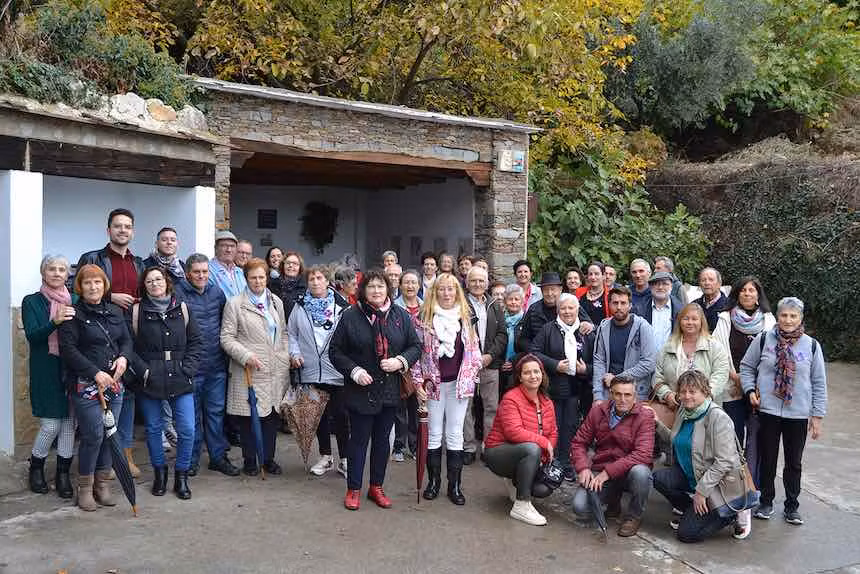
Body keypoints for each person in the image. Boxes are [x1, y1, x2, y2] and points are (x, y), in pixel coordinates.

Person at [329, 269, 421, 510]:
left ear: (388, 289)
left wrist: (400, 361)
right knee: (358, 440)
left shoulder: (400, 316)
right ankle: (354, 489)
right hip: (361, 390)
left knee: (383, 442)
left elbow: (415, 346)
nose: (376, 291)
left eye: (381, 286)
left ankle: (376, 487)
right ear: (363, 290)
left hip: (390, 391)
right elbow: (336, 351)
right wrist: (355, 371)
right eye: (371, 287)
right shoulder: (351, 316)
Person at [741, 297, 827, 526]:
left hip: (797, 414)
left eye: (793, 316)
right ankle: (766, 501)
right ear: (777, 317)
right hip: (767, 411)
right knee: (767, 459)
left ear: (800, 319)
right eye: (784, 315)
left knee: (793, 462)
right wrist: (750, 390)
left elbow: (818, 382)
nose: (788, 320)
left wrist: (816, 416)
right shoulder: (763, 339)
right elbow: (747, 367)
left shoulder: (811, 345)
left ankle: (791, 506)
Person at [76, 208, 144, 479]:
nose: (123, 230)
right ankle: (96, 462)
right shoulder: (92, 258)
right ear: (108, 230)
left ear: (133, 231)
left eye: (127, 226)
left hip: (130, 338)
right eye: (118, 226)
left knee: (126, 396)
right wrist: (110, 296)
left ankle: (123, 455)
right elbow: (78, 289)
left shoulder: (138, 263)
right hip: (98, 337)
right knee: (98, 400)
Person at [59, 264, 131, 511]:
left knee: (112, 435)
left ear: (104, 285)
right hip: (86, 386)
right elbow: (68, 350)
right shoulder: (73, 314)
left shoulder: (114, 311)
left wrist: (124, 358)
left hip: (114, 385)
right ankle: (85, 487)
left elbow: (126, 340)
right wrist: (95, 373)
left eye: (97, 282)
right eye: (87, 283)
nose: (93, 287)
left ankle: (103, 485)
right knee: (94, 436)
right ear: (80, 286)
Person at [653, 370, 750, 542]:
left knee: (686, 534)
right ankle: (692, 509)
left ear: (705, 392)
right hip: (693, 475)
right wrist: (657, 424)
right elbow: (677, 440)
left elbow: (724, 462)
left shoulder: (718, 418)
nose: (686, 396)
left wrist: (701, 492)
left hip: (718, 486)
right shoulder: (684, 411)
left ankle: (730, 514)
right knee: (657, 478)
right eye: (682, 391)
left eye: (692, 391)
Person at [411, 273, 483, 505]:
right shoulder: (423, 319)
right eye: (441, 289)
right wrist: (418, 382)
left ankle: (455, 486)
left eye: (450, 289)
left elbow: (474, 352)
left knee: (455, 434)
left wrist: (472, 374)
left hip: (457, 385)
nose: (446, 293)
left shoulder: (466, 318)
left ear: (457, 292)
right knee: (433, 433)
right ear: (434, 292)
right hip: (433, 385)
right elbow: (416, 354)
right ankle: (433, 483)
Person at [131, 267, 202, 499]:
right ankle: (160, 473)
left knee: (187, 429)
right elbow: (129, 347)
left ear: (167, 281)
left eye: (158, 279)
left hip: (180, 376)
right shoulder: (136, 312)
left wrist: (188, 369)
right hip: (150, 378)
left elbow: (195, 342)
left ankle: (181, 475)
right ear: (144, 285)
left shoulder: (182, 308)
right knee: (153, 429)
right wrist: (145, 372)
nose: (155, 283)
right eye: (149, 280)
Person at [221, 258, 289, 476]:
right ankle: (251, 460)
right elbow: (226, 338)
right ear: (246, 278)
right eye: (253, 277)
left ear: (267, 277)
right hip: (250, 369)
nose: (258, 281)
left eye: (262, 277)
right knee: (249, 417)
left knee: (271, 417)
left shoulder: (276, 302)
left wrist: (285, 356)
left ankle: (268, 458)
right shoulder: (235, 304)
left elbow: (284, 333)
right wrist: (246, 355)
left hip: (275, 369)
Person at [175, 254, 240, 477]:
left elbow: (227, 322)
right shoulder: (177, 293)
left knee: (215, 414)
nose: (202, 276)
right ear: (188, 273)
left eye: (205, 271)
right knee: (191, 418)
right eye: (197, 272)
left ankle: (217, 457)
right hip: (191, 367)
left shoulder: (216, 292)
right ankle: (190, 459)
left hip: (216, 365)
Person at [571, 375, 655, 537]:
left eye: (627, 395)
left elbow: (642, 454)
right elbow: (579, 442)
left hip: (627, 472)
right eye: (617, 394)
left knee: (641, 473)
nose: (622, 399)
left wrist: (608, 473)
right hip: (601, 469)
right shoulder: (598, 410)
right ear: (611, 393)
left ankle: (634, 516)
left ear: (635, 396)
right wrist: (582, 468)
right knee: (579, 507)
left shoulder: (645, 416)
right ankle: (613, 501)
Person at [289, 266, 351, 477]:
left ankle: (344, 459)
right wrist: (294, 353)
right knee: (319, 415)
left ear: (328, 281)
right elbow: (292, 334)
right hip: (310, 369)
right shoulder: (299, 306)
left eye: (319, 278)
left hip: (337, 369)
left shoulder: (343, 306)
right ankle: (325, 457)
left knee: (341, 415)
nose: (315, 282)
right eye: (311, 279)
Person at [23, 255, 76, 498]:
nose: (56, 273)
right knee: (50, 425)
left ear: (68, 275)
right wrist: (54, 322)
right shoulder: (32, 301)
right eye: (51, 269)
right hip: (45, 369)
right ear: (43, 272)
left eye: (62, 269)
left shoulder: (75, 300)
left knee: (68, 425)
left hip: (72, 368)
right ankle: (36, 467)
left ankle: (63, 474)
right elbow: (33, 336)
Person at [484, 355, 558, 526]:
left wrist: (546, 452)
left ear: (542, 374)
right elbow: (513, 432)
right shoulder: (511, 398)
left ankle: (514, 483)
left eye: (536, 371)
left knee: (542, 489)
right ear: (519, 377)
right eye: (527, 373)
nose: (533, 376)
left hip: (527, 453)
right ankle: (521, 505)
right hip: (498, 452)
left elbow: (553, 432)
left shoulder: (547, 402)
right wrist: (543, 443)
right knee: (532, 448)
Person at [530, 294, 594, 480]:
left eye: (571, 308)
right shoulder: (548, 329)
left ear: (577, 310)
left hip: (577, 388)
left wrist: (586, 369)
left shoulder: (585, 331)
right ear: (558, 310)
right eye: (563, 308)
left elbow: (598, 360)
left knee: (570, 426)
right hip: (553, 388)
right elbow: (534, 352)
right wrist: (554, 365)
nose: (567, 311)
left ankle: (565, 462)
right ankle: (551, 461)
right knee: (553, 426)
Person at [713, 276, 776, 445]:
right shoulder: (725, 318)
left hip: (760, 388)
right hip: (731, 385)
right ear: (737, 294)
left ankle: (754, 471)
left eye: (751, 290)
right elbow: (717, 351)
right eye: (743, 290)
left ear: (758, 295)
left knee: (759, 438)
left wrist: (751, 383)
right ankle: (736, 471)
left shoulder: (768, 320)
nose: (747, 294)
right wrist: (736, 378)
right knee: (734, 435)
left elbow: (773, 355)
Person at [652, 304, 730, 430]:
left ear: (701, 322)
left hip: (706, 411)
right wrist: (667, 395)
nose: (690, 322)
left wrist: (702, 398)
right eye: (686, 318)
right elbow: (657, 377)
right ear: (680, 321)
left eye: (694, 319)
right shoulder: (668, 346)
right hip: (676, 410)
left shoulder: (714, 346)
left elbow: (721, 374)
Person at [463, 266, 508, 465]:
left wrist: (490, 355)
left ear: (487, 283)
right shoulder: (460, 303)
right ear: (467, 282)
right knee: (466, 408)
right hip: (465, 366)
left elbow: (502, 335)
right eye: (474, 280)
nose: (478, 284)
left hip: (490, 365)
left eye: (481, 281)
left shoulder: (494, 305)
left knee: (491, 408)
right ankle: (468, 447)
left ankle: (489, 448)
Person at [592, 286, 657, 402]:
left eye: (623, 303)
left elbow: (649, 363)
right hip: (609, 391)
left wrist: (618, 379)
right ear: (609, 304)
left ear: (630, 305)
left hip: (636, 392)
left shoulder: (643, 327)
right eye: (615, 303)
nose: (619, 307)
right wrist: (597, 396)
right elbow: (599, 361)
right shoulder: (604, 327)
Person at [392, 269, 423, 460]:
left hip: (420, 363)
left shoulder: (427, 307)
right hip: (400, 362)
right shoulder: (394, 307)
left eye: (414, 282)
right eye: (407, 282)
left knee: (416, 407)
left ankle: (415, 444)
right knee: (399, 407)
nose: (410, 286)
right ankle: (398, 446)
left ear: (419, 286)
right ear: (400, 285)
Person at [635, 271, 683, 352]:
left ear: (671, 287)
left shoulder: (681, 309)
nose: (660, 287)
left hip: (672, 358)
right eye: (656, 284)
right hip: (646, 358)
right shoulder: (638, 309)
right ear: (650, 287)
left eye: (665, 284)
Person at [515, 272, 564, 353]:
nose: (549, 293)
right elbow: (523, 339)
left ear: (560, 290)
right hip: (537, 356)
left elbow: (587, 323)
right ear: (541, 291)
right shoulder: (533, 309)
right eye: (546, 290)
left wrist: (586, 324)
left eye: (553, 289)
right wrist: (534, 352)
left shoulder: (568, 306)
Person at [500, 284, 525, 395]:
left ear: (522, 302)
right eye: (510, 299)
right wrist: (501, 362)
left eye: (517, 299)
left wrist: (513, 361)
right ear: (505, 301)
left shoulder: (527, 320)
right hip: (500, 367)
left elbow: (529, 347)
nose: (513, 302)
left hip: (519, 367)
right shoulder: (499, 319)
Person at [209, 231, 247, 299]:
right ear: (216, 248)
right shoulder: (208, 271)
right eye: (224, 246)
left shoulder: (240, 272)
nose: (229, 250)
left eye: (232, 246)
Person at [268, 250, 306, 317]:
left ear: (300, 267)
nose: (291, 265)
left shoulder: (305, 287)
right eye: (288, 263)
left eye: (295, 263)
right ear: (283, 265)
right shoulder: (272, 285)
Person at [693, 267, 728, 332]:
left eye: (711, 280)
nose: (707, 283)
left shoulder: (729, 306)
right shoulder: (694, 305)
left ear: (719, 284)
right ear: (699, 284)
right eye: (703, 280)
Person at [578, 261, 611, 326]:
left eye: (596, 274)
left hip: (601, 333)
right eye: (590, 274)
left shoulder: (610, 295)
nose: (593, 277)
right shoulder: (579, 292)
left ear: (603, 276)